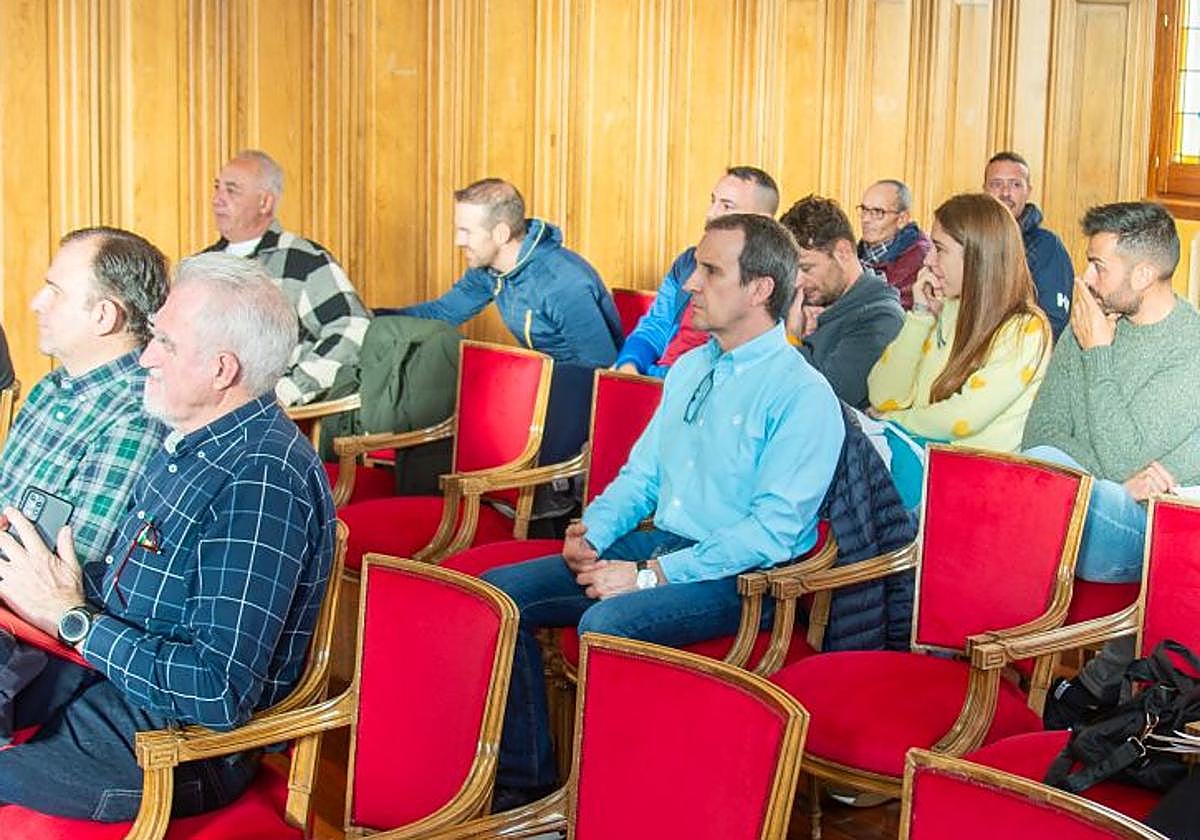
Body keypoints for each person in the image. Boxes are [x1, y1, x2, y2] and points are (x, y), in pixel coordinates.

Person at [481, 213, 843, 807]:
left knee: (606, 624)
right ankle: (528, 791)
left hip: (739, 578)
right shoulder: (693, 366)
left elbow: (771, 534)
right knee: (500, 596)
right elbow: (643, 475)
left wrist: (650, 577)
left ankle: (616, 805)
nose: (690, 284)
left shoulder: (802, 394)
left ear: (760, 290)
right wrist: (594, 531)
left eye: (710, 270)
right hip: (660, 546)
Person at [0, 253, 337, 822]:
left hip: (173, 748)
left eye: (166, 343)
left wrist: (73, 618)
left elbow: (216, 692)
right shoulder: (194, 438)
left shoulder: (260, 480)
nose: (147, 357)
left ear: (222, 369)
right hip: (103, 682)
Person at [1023, 201, 1200, 583]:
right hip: (1086, 496)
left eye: (1099, 267)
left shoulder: (1191, 347)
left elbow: (1123, 458)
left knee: (1036, 502)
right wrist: (1117, 484)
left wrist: (1099, 353)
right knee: (1030, 471)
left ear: (1143, 275)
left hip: (1146, 531)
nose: (1085, 278)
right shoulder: (1089, 322)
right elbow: (1039, 436)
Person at [0, 227, 169, 566]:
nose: (36, 303)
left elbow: (68, 569)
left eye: (55, 292)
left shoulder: (137, 415)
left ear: (104, 315)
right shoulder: (50, 388)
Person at [867, 193, 1052, 504]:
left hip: (977, 486)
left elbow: (963, 418)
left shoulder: (1024, 329)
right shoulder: (950, 308)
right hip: (928, 463)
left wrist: (893, 420)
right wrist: (920, 317)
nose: (927, 261)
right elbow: (882, 393)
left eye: (939, 249)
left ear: (979, 257)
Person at [203, 149, 371, 407]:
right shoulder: (202, 266)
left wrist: (288, 391)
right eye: (217, 188)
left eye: (232, 190)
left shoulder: (303, 260)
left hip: (269, 417)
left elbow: (354, 329)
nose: (217, 199)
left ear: (265, 203)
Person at [395, 178, 622, 368]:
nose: (458, 241)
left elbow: (600, 368)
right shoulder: (489, 269)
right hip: (545, 379)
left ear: (501, 234)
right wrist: (372, 318)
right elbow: (442, 312)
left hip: (583, 386)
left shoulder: (563, 284)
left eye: (466, 231)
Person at [615, 166, 779, 376]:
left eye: (726, 206)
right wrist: (630, 365)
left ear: (762, 220)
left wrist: (652, 377)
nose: (711, 214)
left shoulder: (764, 286)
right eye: (713, 201)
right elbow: (656, 326)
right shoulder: (688, 262)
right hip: (656, 381)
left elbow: (721, 368)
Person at [780, 194, 904, 408]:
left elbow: (821, 400)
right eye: (792, 270)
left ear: (843, 252)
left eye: (806, 268)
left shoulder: (881, 320)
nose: (797, 281)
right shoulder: (804, 303)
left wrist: (791, 340)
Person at [984, 151, 1073, 338]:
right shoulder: (971, 242)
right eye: (996, 184)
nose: (1005, 193)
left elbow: (1052, 323)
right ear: (985, 190)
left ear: (1028, 191)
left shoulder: (1047, 247)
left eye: (1015, 185)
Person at [855, 179, 932, 309]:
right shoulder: (857, 252)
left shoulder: (920, 260)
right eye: (864, 209)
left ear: (902, 219)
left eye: (878, 212)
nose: (865, 219)